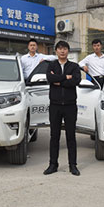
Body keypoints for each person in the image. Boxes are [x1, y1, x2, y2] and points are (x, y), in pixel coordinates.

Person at [43, 41, 81, 176]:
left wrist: (59, 81)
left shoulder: (74, 66)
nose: (62, 51)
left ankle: (73, 165)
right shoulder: (51, 65)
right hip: (55, 105)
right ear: (56, 51)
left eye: (64, 49)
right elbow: (50, 78)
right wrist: (65, 77)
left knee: (71, 136)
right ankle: (53, 164)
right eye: (60, 49)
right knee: (54, 136)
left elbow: (76, 81)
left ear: (68, 51)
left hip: (70, 105)